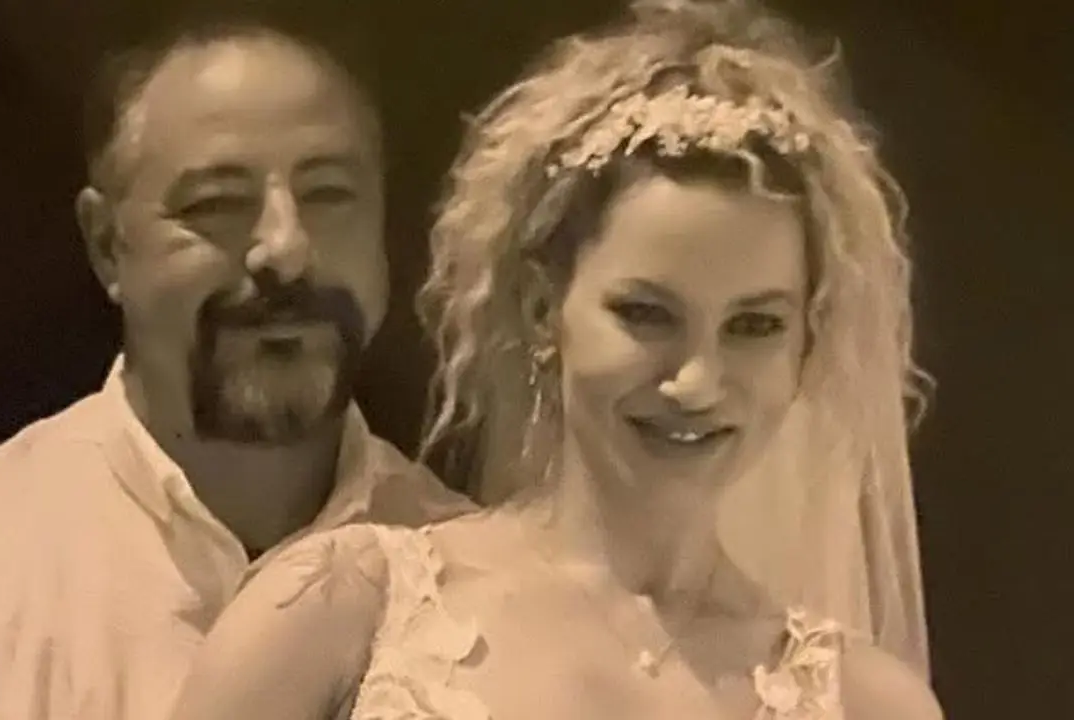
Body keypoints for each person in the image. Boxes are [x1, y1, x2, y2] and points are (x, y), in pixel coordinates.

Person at [165, 0, 943, 718]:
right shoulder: (339, 610)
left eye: (754, 326)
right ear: (545, 310)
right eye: (646, 314)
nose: (698, 381)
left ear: (806, 341)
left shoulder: (873, 705)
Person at [0, 6, 474, 719]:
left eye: (329, 194)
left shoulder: (485, 587)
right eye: (216, 204)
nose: (286, 248)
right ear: (107, 245)